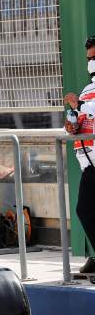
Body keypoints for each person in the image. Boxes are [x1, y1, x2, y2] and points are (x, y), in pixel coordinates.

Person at [64, 35, 95, 274]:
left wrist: (80, 107)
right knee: (84, 209)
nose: (91, 62)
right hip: (90, 164)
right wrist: (72, 120)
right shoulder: (87, 90)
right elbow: (79, 121)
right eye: (89, 58)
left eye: (94, 57)